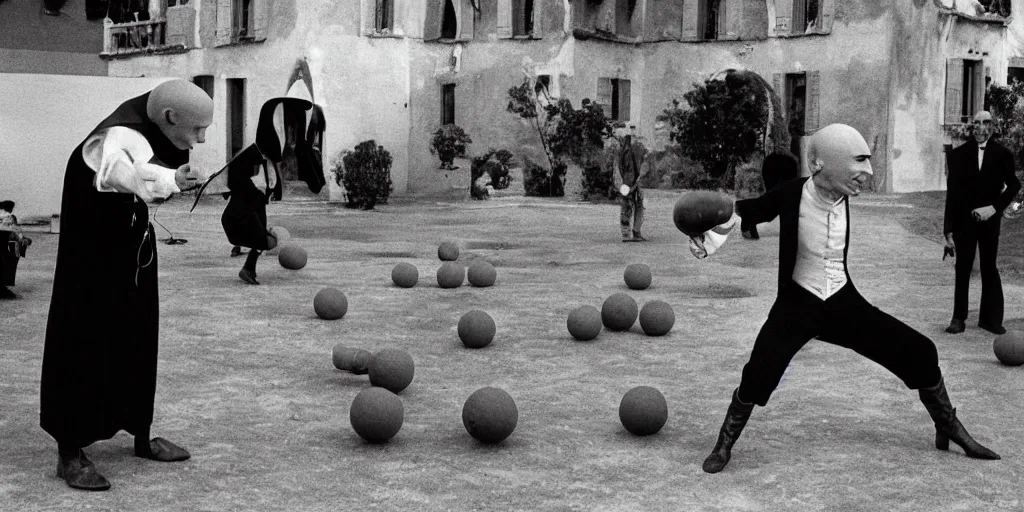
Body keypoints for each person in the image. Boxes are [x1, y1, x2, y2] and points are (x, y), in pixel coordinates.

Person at [688, 123, 1000, 474]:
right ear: (821, 165)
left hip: (841, 300)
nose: (867, 173)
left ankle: (949, 427)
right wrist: (707, 237)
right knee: (760, 370)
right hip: (797, 303)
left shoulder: (843, 196)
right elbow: (747, 210)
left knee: (920, 350)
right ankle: (724, 442)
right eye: (859, 161)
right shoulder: (791, 194)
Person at [39, 79, 213, 491]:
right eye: (197, 130)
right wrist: (172, 179)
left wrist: (175, 175)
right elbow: (125, 173)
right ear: (170, 118)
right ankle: (69, 453)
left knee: (137, 335)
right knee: (82, 342)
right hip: (91, 261)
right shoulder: (119, 136)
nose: (202, 139)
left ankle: (139, 433)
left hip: (130, 250)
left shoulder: (156, 119)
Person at [943, 110, 1020, 335]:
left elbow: (1014, 185)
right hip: (964, 222)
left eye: (986, 123)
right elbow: (952, 196)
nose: (981, 127)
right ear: (971, 126)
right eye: (976, 123)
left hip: (989, 221)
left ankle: (990, 320)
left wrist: (994, 208)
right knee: (963, 268)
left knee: (989, 267)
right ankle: (958, 318)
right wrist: (948, 232)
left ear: (993, 127)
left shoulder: (1002, 154)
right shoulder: (957, 155)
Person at [741, 150, 801, 240]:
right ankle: (746, 211)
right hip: (779, 166)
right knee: (772, 208)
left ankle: (746, 212)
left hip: (779, 165)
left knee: (772, 208)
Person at [613, 125, 649, 242]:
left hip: (630, 182)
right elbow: (629, 169)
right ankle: (631, 233)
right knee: (632, 206)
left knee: (632, 206)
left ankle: (631, 233)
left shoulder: (624, 149)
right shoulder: (628, 149)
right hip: (630, 182)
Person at [1, 200, 32, 300]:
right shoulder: (6, 217)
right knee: (4, 265)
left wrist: (24, 239)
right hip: (4, 247)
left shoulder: (8, 217)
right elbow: (14, 230)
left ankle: (4, 287)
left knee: (6, 264)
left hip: (5, 247)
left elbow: (16, 231)